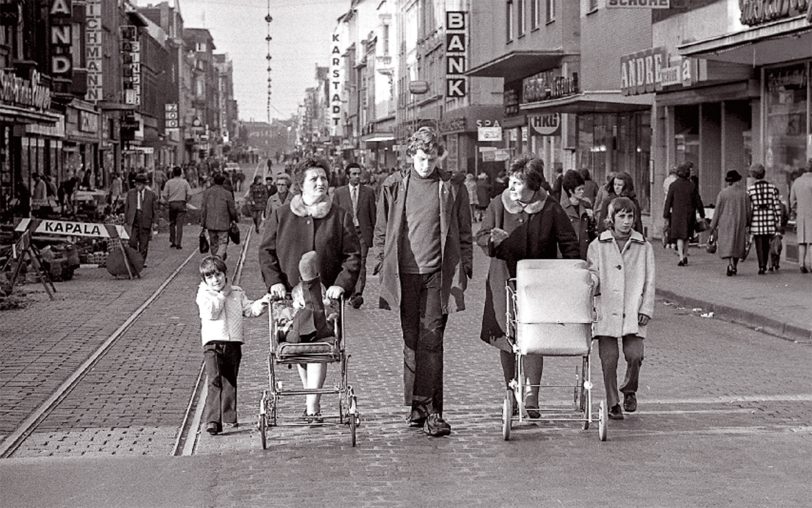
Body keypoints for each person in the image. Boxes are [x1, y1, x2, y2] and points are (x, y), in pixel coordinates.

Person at [374, 126, 473, 437]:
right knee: (411, 342)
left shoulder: (452, 187)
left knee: (432, 341)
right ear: (410, 157)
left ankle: (433, 412)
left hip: (437, 274)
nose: (427, 165)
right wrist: (380, 261)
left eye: (431, 159)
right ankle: (417, 407)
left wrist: (465, 265)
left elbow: (464, 229)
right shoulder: (392, 186)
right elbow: (381, 230)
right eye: (421, 159)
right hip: (404, 275)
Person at [476, 155, 579, 418]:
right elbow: (482, 234)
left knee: (534, 337)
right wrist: (493, 240)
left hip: (538, 283)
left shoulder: (550, 208)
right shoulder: (499, 204)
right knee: (507, 337)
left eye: (517, 183)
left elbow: (569, 243)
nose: (511, 187)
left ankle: (532, 394)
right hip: (504, 280)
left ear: (532, 186)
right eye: (510, 182)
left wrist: (574, 272)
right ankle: (511, 388)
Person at [259, 155, 360, 420]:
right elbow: (266, 252)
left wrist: (340, 285)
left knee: (319, 345)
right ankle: (311, 399)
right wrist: (275, 283)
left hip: (325, 302)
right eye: (313, 179)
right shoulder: (281, 216)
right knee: (298, 345)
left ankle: (312, 405)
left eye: (324, 178)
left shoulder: (340, 217)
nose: (320, 183)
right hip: (289, 303)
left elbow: (352, 255)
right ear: (300, 185)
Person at [587, 196, 655, 420]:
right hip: (606, 308)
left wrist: (646, 308)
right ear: (611, 218)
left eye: (630, 216)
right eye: (621, 216)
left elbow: (650, 281)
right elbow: (592, 272)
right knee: (609, 359)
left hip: (633, 309)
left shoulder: (644, 246)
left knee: (635, 355)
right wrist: (592, 282)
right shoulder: (598, 245)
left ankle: (629, 390)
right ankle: (613, 402)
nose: (626, 221)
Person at [196, 255, 270, 435]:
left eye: (218, 275)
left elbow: (249, 310)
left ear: (225, 274)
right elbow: (212, 313)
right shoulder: (203, 294)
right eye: (210, 277)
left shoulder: (237, 292)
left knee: (230, 379)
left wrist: (262, 302)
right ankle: (213, 420)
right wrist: (222, 295)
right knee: (215, 379)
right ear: (205, 280)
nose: (215, 280)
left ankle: (229, 416)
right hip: (213, 342)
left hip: (234, 342)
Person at [333, 162, 377, 309]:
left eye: (359, 174)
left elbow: (373, 215)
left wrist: (374, 234)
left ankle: (357, 294)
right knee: (347, 263)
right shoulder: (339, 193)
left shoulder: (368, 192)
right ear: (348, 176)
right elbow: (334, 215)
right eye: (354, 174)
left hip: (362, 233)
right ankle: (348, 290)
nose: (357, 176)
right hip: (346, 233)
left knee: (362, 263)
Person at [707, 170, 751, 276]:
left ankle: (730, 264)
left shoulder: (722, 194)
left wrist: (712, 226)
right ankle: (734, 265)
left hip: (725, 222)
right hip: (740, 222)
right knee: (737, 245)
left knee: (728, 244)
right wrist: (748, 222)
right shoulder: (744, 194)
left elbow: (717, 211)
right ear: (738, 181)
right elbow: (749, 211)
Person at [746, 163, 783, 275]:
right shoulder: (772, 188)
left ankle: (761, 265)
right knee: (767, 242)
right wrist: (778, 220)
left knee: (759, 244)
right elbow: (776, 205)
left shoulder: (750, 190)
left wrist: (748, 221)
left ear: (753, 175)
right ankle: (767, 263)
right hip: (769, 219)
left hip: (756, 220)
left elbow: (749, 207)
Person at [664, 163, 701, 266]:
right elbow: (698, 201)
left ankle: (680, 257)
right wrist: (701, 213)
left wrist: (666, 214)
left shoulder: (673, 185)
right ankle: (685, 255)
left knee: (680, 236)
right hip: (689, 214)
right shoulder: (691, 186)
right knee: (687, 236)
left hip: (677, 214)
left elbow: (669, 201)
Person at [201, 173, 238, 260]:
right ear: (223, 182)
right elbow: (232, 209)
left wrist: (203, 223)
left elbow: (203, 209)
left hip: (210, 222)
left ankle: (216, 260)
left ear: (213, 181)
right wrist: (234, 219)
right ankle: (218, 258)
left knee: (213, 243)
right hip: (223, 223)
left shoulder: (207, 192)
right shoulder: (227, 194)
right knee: (223, 242)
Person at [560, 169, 596, 260]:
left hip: (586, 251)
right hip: (570, 253)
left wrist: (592, 219)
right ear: (571, 191)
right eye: (579, 189)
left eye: (583, 189)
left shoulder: (586, 205)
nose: (582, 192)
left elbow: (592, 230)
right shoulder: (562, 208)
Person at [124, 173, 159, 265]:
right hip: (134, 219)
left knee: (144, 244)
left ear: (144, 185)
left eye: (140, 184)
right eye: (136, 184)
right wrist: (126, 220)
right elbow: (127, 207)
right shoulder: (131, 193)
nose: (137, 186)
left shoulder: (151, 195)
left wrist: (155, 221)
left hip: (145, 220)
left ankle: (141, 262)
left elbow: (155, 209)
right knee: (132, 241)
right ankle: (134, 259)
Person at [789, 159, 812, 273]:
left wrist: (796, 210)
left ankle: (802, 264)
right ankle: (811, 264)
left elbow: (792, 200)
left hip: (801, 215)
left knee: (802, 241)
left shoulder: (797, 182)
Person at [162, 166, 192, 249]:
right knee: (179, 225)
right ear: (181, 173)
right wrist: (186, 201)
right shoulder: (184, 182)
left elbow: (164, 195)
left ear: (173, 173)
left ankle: (173, 241)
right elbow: (190, 194)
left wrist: (168, 200)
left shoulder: (169, 182)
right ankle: (179, 243)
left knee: (172, 223)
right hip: (181, 204)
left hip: (172, 204)